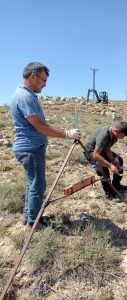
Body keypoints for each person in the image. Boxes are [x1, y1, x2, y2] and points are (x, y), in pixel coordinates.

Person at [10, 62, 81, 228]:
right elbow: (40, 126)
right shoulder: (25, 97)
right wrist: (66, 134)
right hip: (31, 147)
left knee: (32, 183)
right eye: (43, 80)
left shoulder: (21, 95)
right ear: (33, 76)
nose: (45, 84)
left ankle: (29, 217)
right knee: (38, 185)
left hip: (28, 146)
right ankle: (35, 223)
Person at [84, 122, 127, 202]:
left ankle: (116, 185)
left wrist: (113, 160)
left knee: (119, 160)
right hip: (91, 152)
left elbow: (106, 149)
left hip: (101, 151)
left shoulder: (115, 136)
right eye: (122, 136)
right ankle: (108, 192)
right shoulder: (104, 135)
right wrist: (110, 165)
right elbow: (96, 155)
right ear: (116, 131)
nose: (122, 138)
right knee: (102, 167)